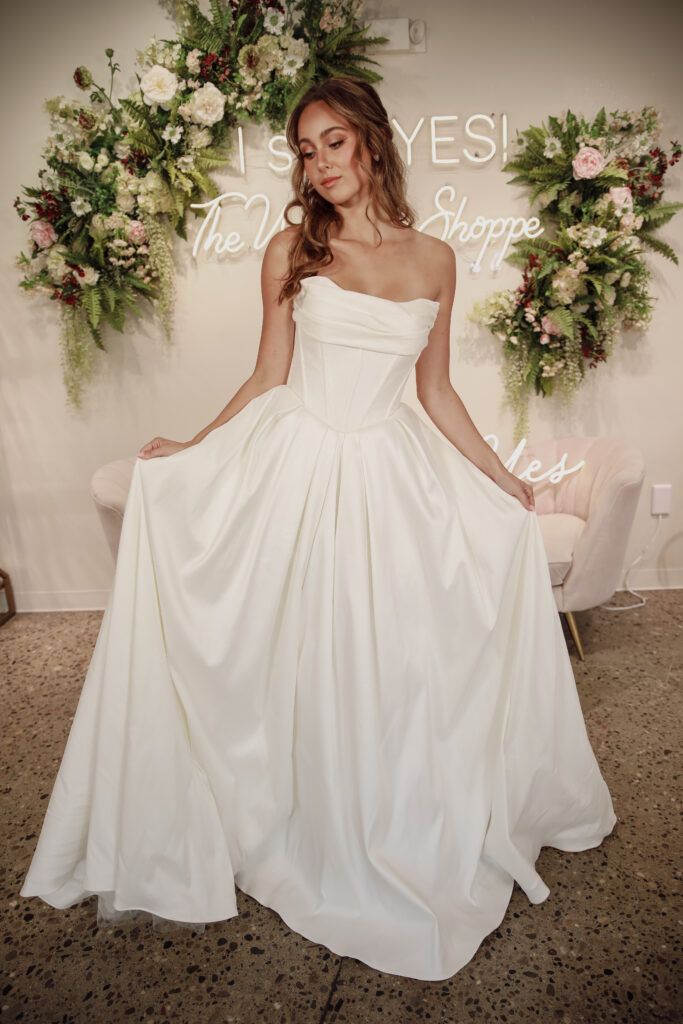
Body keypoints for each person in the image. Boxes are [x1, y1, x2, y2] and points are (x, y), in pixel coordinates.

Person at [20, 76, 616, 982]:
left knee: (397, 659)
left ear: (371, 143)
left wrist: (501, 480)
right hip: (297, 463)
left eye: (333, 142)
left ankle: (390, 817)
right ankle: (296, 814)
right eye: (305, 149)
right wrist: (194, 444)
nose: (319, 163)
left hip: (390, 471)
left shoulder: (435, 259)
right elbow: (267, 376)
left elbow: (436, 391)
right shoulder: (291, 250)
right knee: (293, 651)